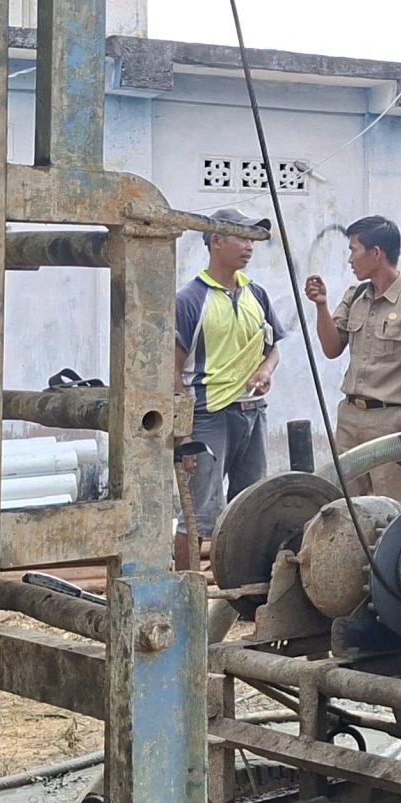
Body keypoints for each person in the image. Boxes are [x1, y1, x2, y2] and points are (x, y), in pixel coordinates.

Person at [303, 214, 401, 500]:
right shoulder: (355, 297)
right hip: (350, 420)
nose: (350, 260)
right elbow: (331, 348)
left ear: (376, 253)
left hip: (390, 424)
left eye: (354, 250)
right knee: (344, 510)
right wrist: (320, 307)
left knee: (394, 511)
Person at [174, 210, 282, 566]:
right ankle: (186, 590)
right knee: (198, 513)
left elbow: (272, 349)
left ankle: (238, 588)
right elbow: (171, 369)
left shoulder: (257, 295)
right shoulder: (189, 300)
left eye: (252, 240)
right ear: (216, 241)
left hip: (251, 412)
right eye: (242, 237)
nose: (249, 246)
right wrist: (182, 434)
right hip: (208, 416)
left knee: (250, 508)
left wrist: (264, 371)